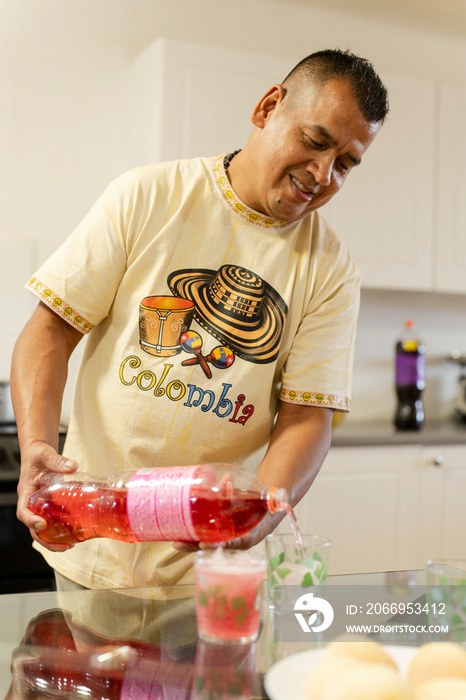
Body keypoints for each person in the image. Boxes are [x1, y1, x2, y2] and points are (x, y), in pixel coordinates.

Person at [11, 49, 389, 591]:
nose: (323, 174)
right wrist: (37, 447)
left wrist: (259, 518)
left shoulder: (331, 269)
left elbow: (308, 418)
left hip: (210, 567)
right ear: (268, 107)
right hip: (92, 541)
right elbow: (50, 330)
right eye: (315, 140)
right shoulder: (148, 196)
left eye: (346, 163)